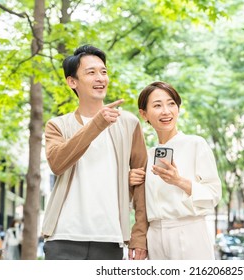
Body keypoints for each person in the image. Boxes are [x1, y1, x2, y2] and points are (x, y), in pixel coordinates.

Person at [41, 44, 148, 260]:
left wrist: (139, 236)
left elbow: (142, 181)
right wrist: (96, 124)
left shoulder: (128, 123)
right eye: (91, 72)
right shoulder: (57, 125)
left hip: (110, 238)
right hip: (63, 237)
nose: (100, 78)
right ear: (72, 82)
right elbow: (57, 163)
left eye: (103, 72)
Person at [129, 81, 222, 259]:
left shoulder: (196, 144)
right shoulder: (146, 157)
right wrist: (130, 182)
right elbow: (139, 205)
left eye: (171, 103)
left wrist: (178, 181)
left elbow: (214, 194)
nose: (166, 111)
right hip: (155, 235)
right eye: (157, 105)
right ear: (144, 114)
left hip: (189, 230)